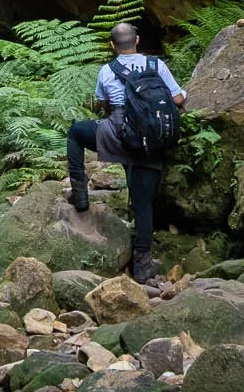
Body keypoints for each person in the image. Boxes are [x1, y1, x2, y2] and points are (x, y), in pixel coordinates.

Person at [66, 19, 185, 283]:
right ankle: (142, 267)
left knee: (75, 132)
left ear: (112, 45)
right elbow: (177, 99)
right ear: (137, 41)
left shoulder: (107, 70)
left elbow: (103, 104)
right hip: (150, 140)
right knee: (143, 204)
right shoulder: (157, 65)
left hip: (116, 134)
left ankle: (80, 194)